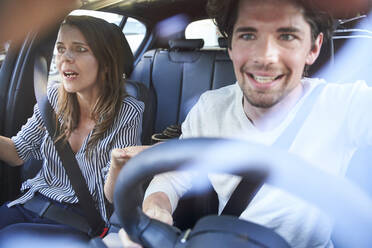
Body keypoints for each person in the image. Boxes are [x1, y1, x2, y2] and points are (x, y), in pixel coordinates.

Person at [111, 0, 372, 247]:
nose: (265, 57)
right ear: (231, 46)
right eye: (248, 35)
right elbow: (173, 177)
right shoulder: (210, 108)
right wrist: (156, 209)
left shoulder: (347, 104)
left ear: (313, 48)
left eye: (287, 36)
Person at [0, 15, 144, 238]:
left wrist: (118, 165)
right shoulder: (53, 99)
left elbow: (113, 195)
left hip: (81, 219)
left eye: (79, 49)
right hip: (32, 202)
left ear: (106, 62)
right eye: (60, 48)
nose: (65, 58)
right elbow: (18, 152)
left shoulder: (127, 111)